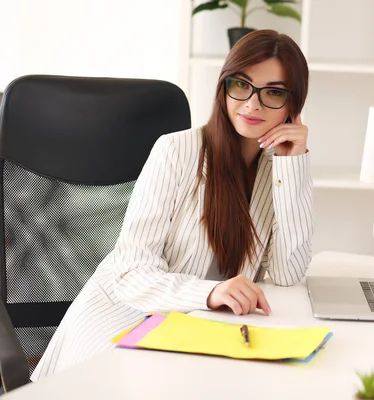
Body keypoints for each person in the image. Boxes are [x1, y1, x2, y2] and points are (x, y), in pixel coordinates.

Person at [31, 29, 313, 380]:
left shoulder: (279, 171)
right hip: (120, 331)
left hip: (198, 340)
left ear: (293, 105)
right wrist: (210, 293)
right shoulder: (176, 151)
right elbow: (131, 273)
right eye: (241, 84)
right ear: (223, 87)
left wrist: (293, 165)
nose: (252, 103)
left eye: (273, 92)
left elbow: (288, 275)